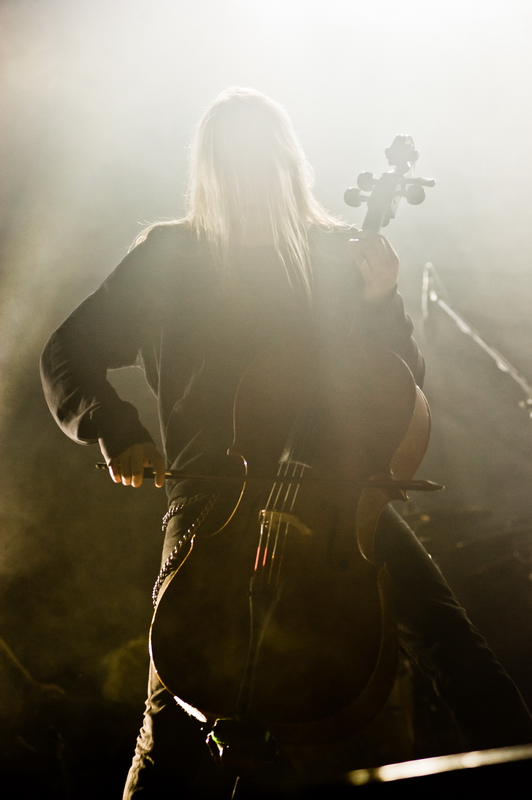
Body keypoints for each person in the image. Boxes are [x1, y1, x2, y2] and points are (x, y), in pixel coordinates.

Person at [41, 88, 532, 797]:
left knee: (456, 649)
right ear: (209, 170)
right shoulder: (170, 258)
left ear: (289, 164)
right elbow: (68, 351)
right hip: (216, 504)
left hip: (335, 497)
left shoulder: (333, 255)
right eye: (233, 163)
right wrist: (118, 433)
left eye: (265, 159)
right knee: (177, 702)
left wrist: (380, 304)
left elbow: (394, 385)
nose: (251, 177)